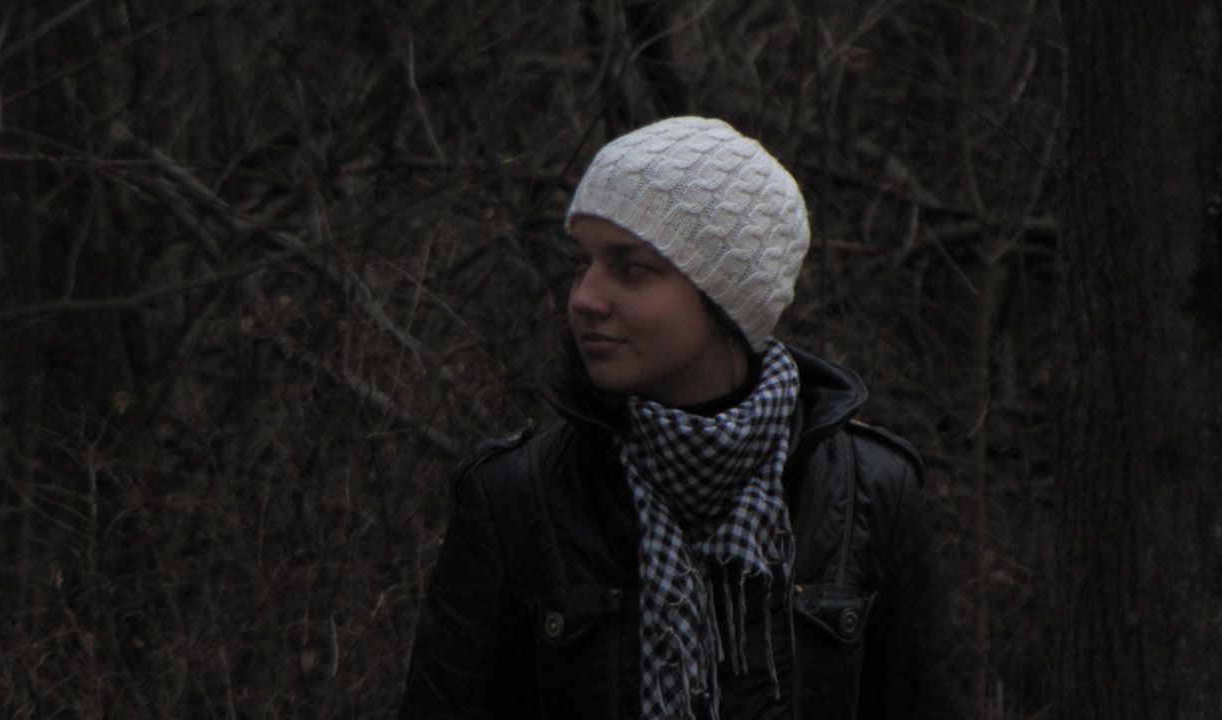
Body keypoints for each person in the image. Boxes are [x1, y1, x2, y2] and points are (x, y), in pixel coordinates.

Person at [399, 117, 964, 719]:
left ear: (726, 296)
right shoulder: (515, 499)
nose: (585, 298)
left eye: (630, 267)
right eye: (581, 263)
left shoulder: (869, 495)